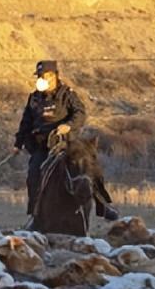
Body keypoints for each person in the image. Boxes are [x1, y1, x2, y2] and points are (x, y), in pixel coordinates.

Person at [13, 60, 117, 221]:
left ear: (55, 75)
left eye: (46, 75)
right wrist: (18, 143)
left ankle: (103, 205)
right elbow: (25, 122)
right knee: (33, 172)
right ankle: (35, 213)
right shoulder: (34, 98)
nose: (43, 78)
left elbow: (80, 113)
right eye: (40, 75)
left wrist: (68, 126)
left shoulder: (68, 94)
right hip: (42, 145)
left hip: (67, 143)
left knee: (88, 166)